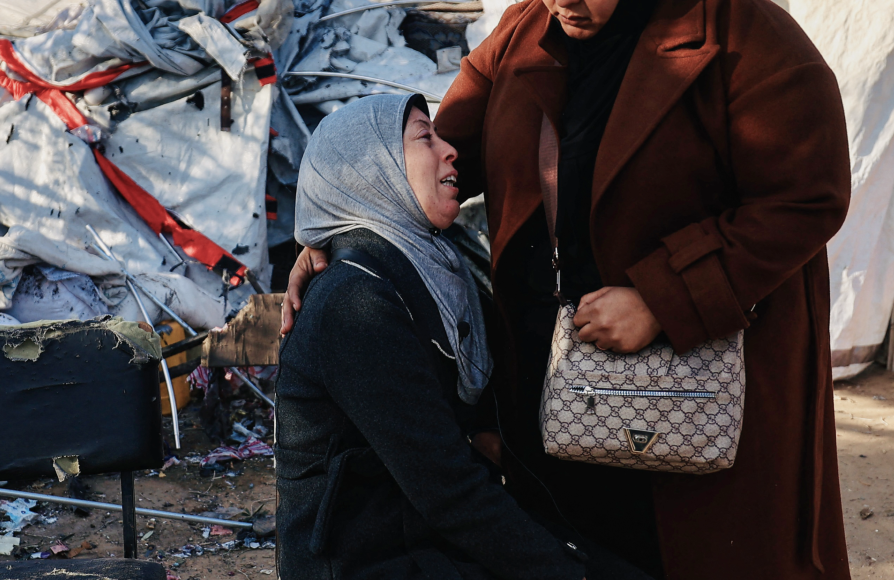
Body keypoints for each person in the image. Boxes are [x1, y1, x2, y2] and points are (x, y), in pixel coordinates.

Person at [284, 0, 853, 579]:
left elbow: (808, 199)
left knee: (693, 557)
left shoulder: (752, 48)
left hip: (691, 373)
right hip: (555, 379)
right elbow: (428, 156)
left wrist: (661, 295)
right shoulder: (524, 36)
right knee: (568, 547)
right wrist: (339, 232)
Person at [275, 93, 649, 580]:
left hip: (425, 540)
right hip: (369, 560)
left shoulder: (434, 273)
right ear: (369, 172)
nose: (450, 150)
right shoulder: (355, 303)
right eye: (424, 138)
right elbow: (447, 490)